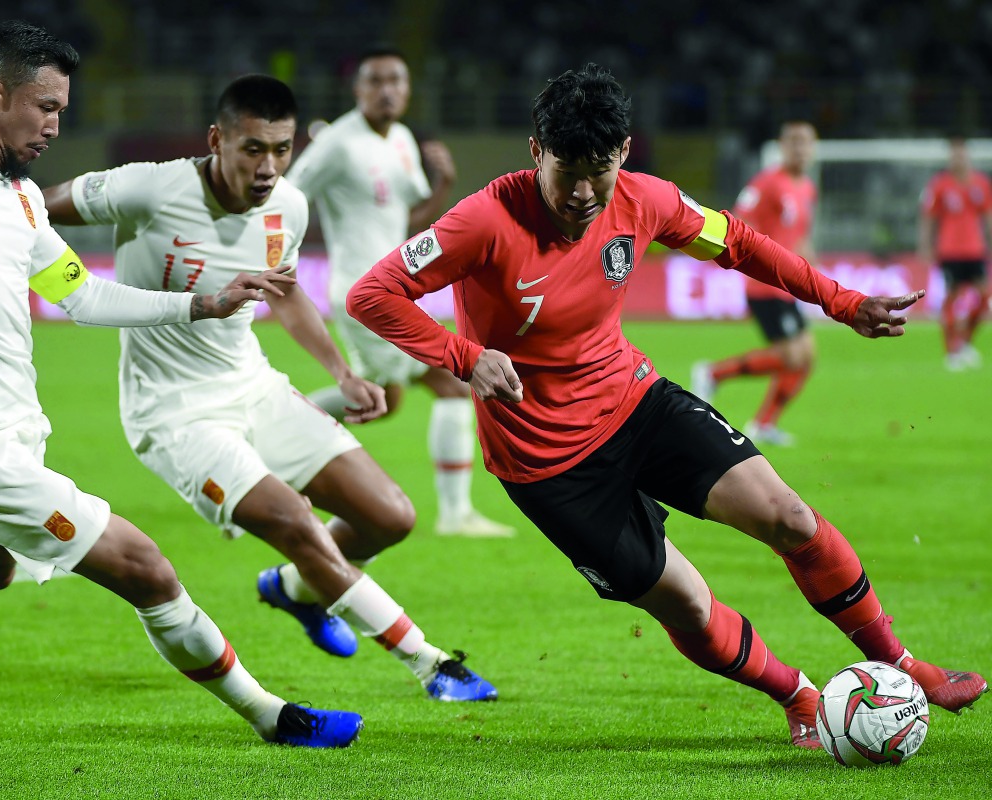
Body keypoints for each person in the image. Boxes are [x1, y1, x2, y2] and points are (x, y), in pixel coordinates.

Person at [348, 63, 986, 749]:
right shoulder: (483, 220)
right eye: (569, 172)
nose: (586, 193)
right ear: (537, 152)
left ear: (624, 153)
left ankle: (901, 664)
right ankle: (797, 697)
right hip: (548, 465)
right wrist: (466, 357)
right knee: (684, 601)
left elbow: (737, 242)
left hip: (634, 403)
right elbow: (370, 295)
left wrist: (842, 300)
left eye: (602, 169)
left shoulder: (644, 200)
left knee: (790, 517)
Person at [0, 21, 363, 748]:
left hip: (12, 432)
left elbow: (85, 298)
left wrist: (203, 302)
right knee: (146, 567)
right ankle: (273, 716)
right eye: (44, 107)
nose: (53, 126)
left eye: (63, 111)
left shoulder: (24, 198)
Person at [41, 75, 497, 703]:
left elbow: (285, 293)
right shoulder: (151, 186)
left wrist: (341, 372)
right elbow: (32, 210)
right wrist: (69, 284)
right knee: (298, 523)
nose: (269, 166)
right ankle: (432, 665)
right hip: (176, 416)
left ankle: (294, 589)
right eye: (253, 148)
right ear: (216, 140)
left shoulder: (290, 205)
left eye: (281, 149)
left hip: (255, 387)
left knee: (388, 517)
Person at [285, 47, 513, 537]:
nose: (388, 90)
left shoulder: (404, 139)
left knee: (381, 401)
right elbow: (286, 197)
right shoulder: (338, 144)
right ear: (359, 89)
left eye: (397, 81)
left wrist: (443, 184)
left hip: (391, 290)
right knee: (453, 384)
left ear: (407, 90)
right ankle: (455, 515)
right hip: (361, 293)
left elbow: (402, 221)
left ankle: (278, 423)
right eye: (377, 81)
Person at [691, 121, 819, 446]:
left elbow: (799, 236)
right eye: (794, 142)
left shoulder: (805, 188)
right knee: (792, 356)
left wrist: (812, 272)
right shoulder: (766, 183)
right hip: (765, 284)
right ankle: (712, 374)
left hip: (788, 285)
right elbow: (739, 218)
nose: (800, 149)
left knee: (807, 356)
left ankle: (764, 424)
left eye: (805, 142)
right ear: (781, 146)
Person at [918, 136, 992, 370]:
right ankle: (951, 351)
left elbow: (988, 217)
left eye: (961, 153)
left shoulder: (980, 183)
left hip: (975, 250)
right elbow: (929, 217)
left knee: (985, 298)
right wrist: (926, 246)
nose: (957, 158)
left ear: (967, 156)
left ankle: (965, 343)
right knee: (951, 298)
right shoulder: (940, 184)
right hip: (949, 251)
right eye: (953, 154)